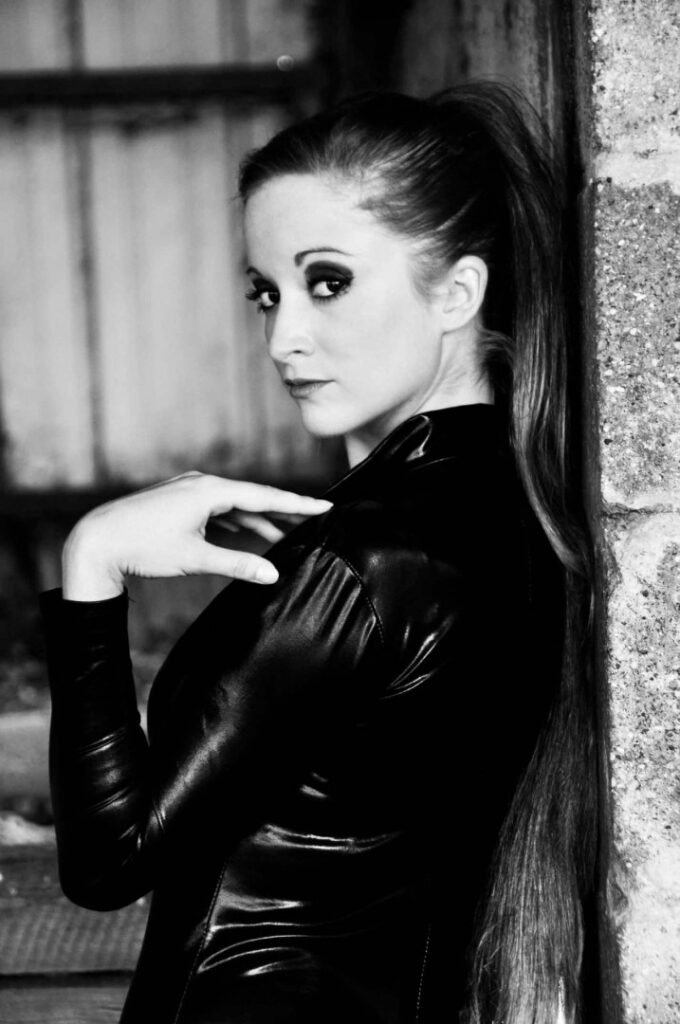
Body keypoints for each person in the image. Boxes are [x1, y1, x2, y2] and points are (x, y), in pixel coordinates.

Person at [39, 82, 599, 1024]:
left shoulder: (366, 558)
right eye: (266, 294)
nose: (283, 337)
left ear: (458, 292)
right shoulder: (516, 513)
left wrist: (91, 561)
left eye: (327, 282)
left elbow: (109, 861)